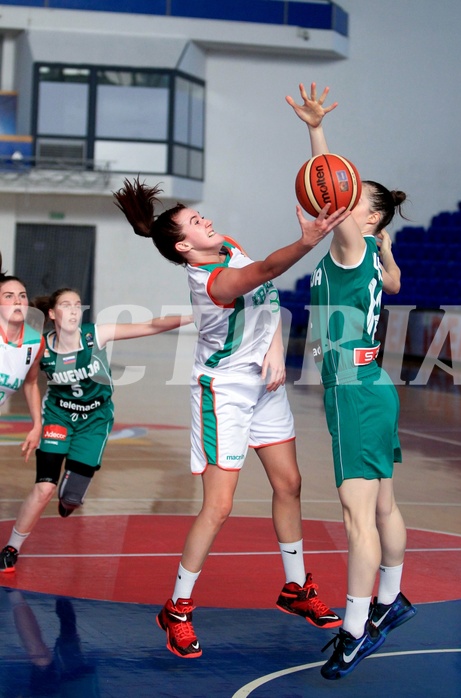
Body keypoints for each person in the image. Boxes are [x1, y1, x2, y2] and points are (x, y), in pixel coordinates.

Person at [113, 177, 350, 659]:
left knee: (290, 484)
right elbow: (263, 272)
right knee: (219, 506)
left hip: (264, 381)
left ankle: (295, 589)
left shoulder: (228, 248)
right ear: (184, 246)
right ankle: (176, 608)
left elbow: (269, 299)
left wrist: (277, 350)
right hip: (224, 392)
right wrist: (308, 241)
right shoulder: (212, 283)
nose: (209, 222)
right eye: (198, 223)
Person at [286, 83, 416, 680]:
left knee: (355, 517)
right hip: (366, 385)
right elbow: (391, 286)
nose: (338, 196)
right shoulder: (363, 251)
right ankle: (392, 599)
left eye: (351, 197)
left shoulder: (349, 243)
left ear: (367, 216)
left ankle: (355, 629)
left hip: (356, 389)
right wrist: (388, 253)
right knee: (383, 504)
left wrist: (315, 130)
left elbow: (325, 179)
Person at [0, 287, 192, 573]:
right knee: (44, 488)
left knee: (71, 498)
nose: (75, 310)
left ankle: (69, 499)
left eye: (78, 305)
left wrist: (195, 316)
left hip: (95, 419)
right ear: (52, 313)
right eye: (66, 305)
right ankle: (12, 548)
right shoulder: (41, 346)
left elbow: (151, 324)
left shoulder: (95, 335)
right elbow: (27, 381)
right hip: (58, 416)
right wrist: (36, 425)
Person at [0, 255, 45, 462]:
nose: (18, 300)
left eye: (22, 295)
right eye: (9, 296)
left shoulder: (35, 342)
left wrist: (37, 425)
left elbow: (31, 383)